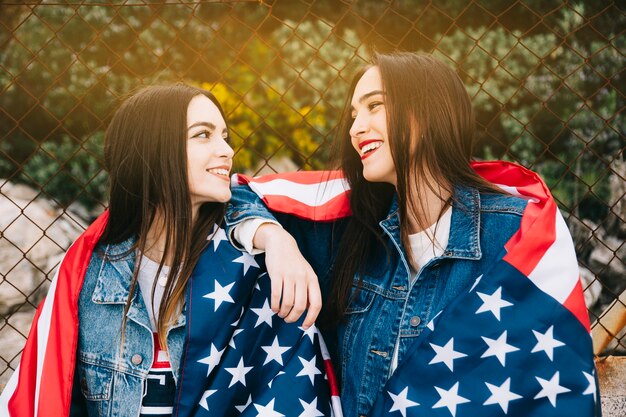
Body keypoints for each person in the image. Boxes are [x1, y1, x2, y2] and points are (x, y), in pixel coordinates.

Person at [225, 52, 599, 416]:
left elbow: (552, 382)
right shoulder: (348, 231)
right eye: (354, 115)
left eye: (375, 106)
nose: (356, 128)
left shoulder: (518, 233)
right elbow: (233, 194)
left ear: (427, 112)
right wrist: (276, 240)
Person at [0, 85, 339, 417]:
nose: (226, 150)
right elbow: (50, 397)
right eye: (203, 135)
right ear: (155, 150)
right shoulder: (87, 277)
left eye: (224, 135)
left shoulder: (251, 265)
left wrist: (278, 238)